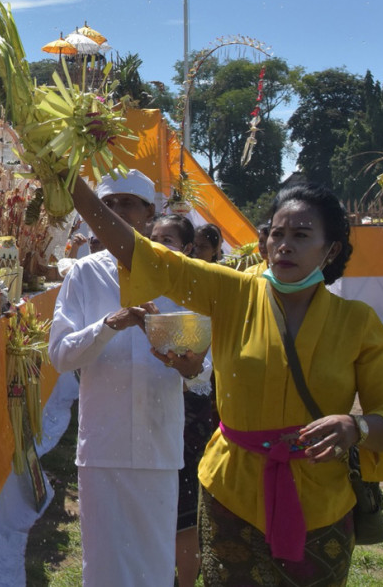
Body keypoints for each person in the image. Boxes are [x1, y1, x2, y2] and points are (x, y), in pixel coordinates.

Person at [68, 176, 383, 586]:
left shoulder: (358, 323)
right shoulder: (232, 293)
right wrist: (71, 185)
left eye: (301, 235)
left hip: (321, 502)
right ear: (262, 243)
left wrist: (357, 426)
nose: (285, 245)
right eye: (276, 234)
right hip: (231, 496)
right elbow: (146, 256)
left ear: (330, 249)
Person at [47, 170, 207, 586]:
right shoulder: (83, 275)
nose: (116, 213)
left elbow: (202, 367)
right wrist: (108, 325)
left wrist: (192, 368)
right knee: (102, 564)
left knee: (154, 562)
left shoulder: (178, 272)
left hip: (159, 443)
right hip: (103, 445)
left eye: (127, 204)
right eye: (108, 205)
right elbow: (61, 356)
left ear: (150, 213)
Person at [152, 214, 214, 587]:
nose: (159, 246)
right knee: (155, 509)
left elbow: (213, 364)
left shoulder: (202, 291)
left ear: (189, 248)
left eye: (169, 240)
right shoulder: (136, 287)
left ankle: (186, 583)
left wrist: (191, 371)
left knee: (184, 514)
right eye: (153, 238)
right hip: (150, 416)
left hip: (190, 412)